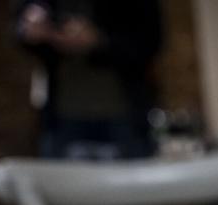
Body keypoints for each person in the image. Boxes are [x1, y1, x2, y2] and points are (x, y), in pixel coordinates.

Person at [15, 0, 162, 161]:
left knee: (133, 182)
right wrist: (33, 24)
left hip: (125, 113)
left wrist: (100, 41)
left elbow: (151, 40)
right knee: (61, 184)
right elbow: (21, 25)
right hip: (61, 115)